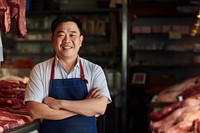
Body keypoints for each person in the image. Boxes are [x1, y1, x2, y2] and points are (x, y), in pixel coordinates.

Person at [24, 15, 112, 133]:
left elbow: (100, 108)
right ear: (53, 40)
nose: (67, 40)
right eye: (61, 35)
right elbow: (35, 111)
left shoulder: (94, 70)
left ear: (80, 40)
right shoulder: (40, 70)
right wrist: (84, 106)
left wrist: (58, 103)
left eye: (72, 35)